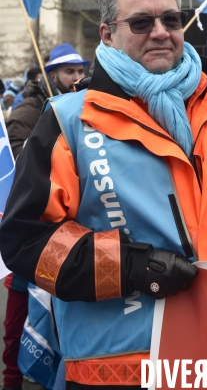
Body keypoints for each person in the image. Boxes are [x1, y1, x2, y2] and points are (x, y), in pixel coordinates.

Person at [1, 0, 207, 390]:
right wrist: (132, 265)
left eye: (171, 19)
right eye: (141, 22)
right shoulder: (69, 123)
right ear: (107, 35)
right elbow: (27, 240)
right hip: (120, 371)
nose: (160, 31)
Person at [1, 44, 88, 390]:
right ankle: (11, 379)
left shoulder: (80, 106)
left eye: (80, 71)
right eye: (69, 72)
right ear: (51, 74)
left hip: (67, 227)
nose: (76, 78)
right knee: (19, 313)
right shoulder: (28, 111)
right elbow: (25, 166)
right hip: (32, 227)